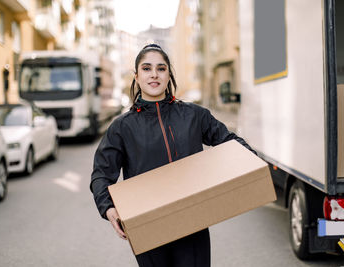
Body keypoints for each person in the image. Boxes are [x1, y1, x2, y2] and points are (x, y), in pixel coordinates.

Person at [90, 44, 256, 267]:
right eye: (147, 68)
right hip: (146, 224)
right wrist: (108, 207)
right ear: (137, 76)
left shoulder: (194, 115)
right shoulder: (122, 127)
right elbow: (101, 173)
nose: (154, 74)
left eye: (161, 68)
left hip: (193, 222)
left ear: (169, 74)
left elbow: (229, 141)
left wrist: (253, 162)